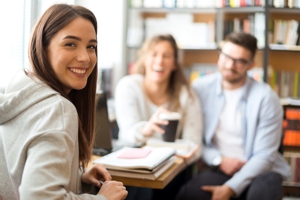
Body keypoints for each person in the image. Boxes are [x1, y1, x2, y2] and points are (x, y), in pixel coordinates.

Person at [0, 4, 127, 200]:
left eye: (91, 47)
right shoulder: (57, 109)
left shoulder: (19, 85)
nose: (85, 57)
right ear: (42, 47)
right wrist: (103, 199)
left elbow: (20, 170)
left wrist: (77, 177)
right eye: (70, 44)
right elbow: (39, 197)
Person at [175, 32, 291, 200]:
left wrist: (230, 188)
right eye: (226, 57)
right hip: (220, 168)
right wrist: (218, 159)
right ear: (219, 55)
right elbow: (194, 140)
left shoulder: (266, 98)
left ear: (251, 65)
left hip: (260, 172)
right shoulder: (199, 89)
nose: (230, 65)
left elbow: (265, 155)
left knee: (265, 192)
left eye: (240, 61)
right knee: (187, 194)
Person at [114, 34, 203, 200]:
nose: (159, 61)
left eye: (167, 56)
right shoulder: (129, 86)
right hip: (131, 167)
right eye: (154, 54)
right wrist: (146, 129)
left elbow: (195, 145)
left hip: (171, 171)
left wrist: (168, 157)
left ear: (175, 63)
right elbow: (127, 134)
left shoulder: (187, 95)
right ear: (144, 59)